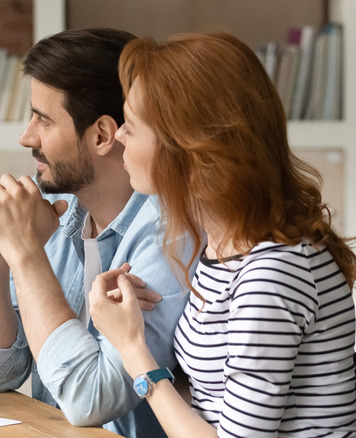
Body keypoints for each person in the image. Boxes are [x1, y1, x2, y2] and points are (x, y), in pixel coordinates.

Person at [89, 31, 356, 437]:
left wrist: (131, 348)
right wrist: (136, 331)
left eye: (133, 125)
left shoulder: (272, 273)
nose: (119, 135)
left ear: (191, 150)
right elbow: (214, 402)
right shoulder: (223, 246)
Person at [0, 28, 191, 437]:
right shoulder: (60, 218)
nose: (25, 137)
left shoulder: (169, 232)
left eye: (42, 119)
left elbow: (92, 400)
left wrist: (25, 255)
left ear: (102, 135)